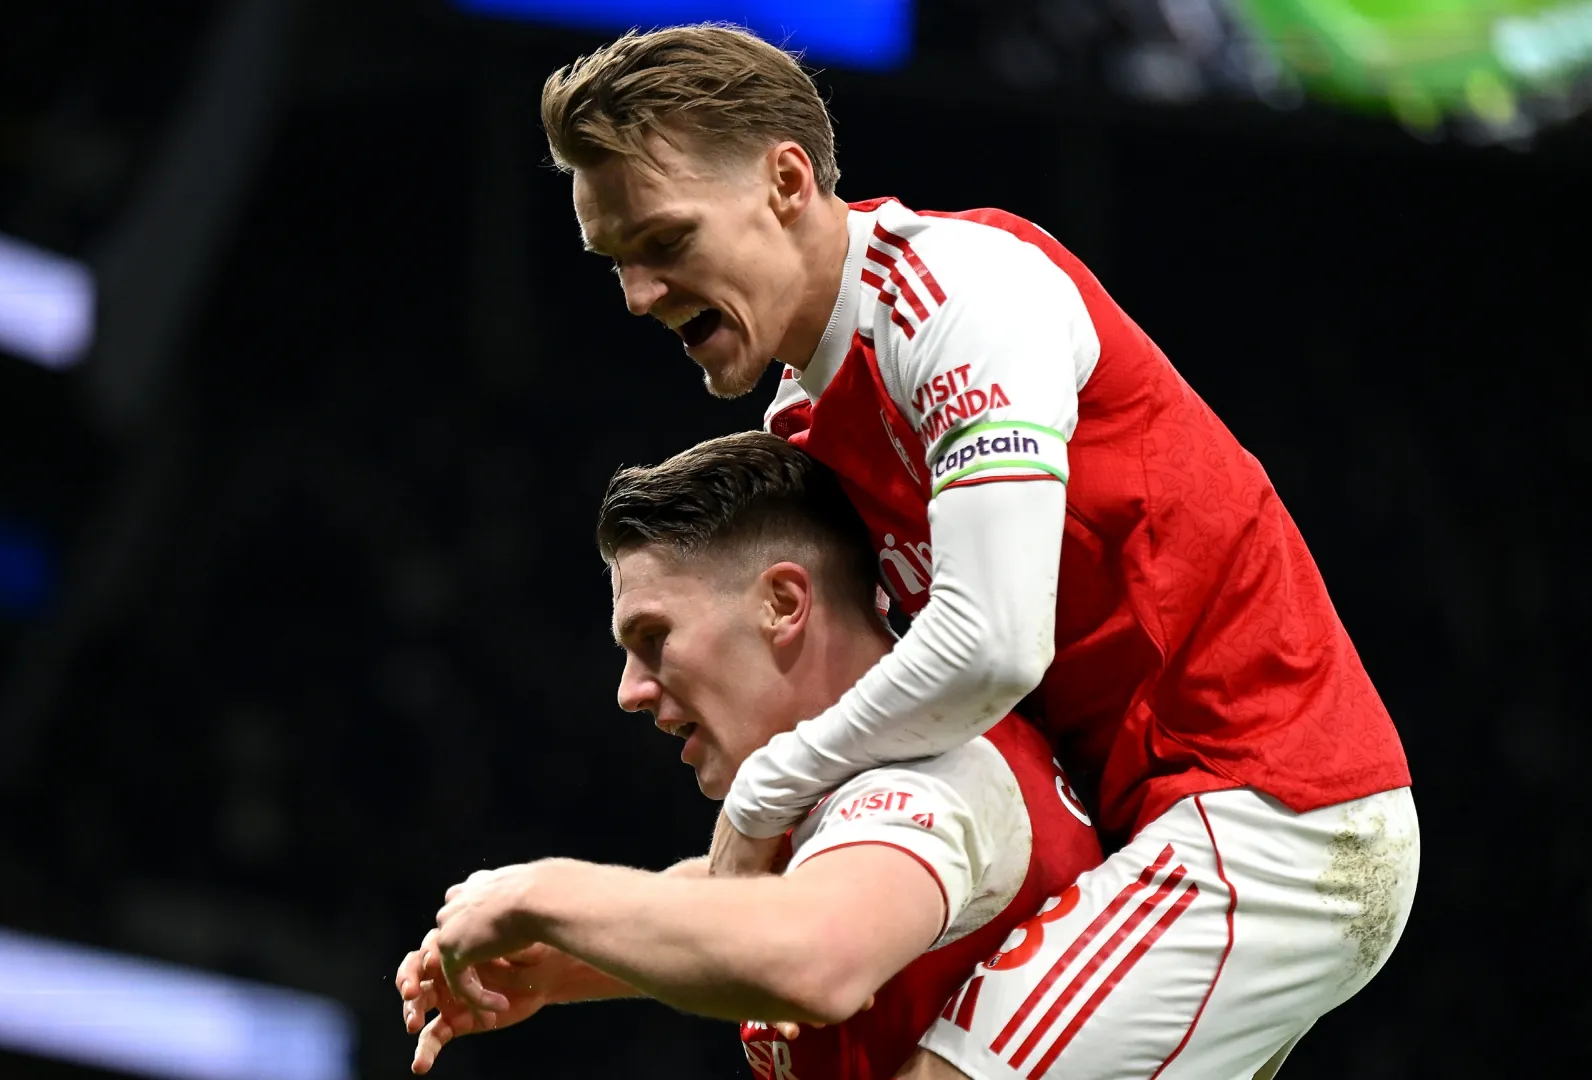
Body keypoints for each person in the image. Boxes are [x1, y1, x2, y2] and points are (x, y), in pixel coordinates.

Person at [532, 22, 1421, 1080]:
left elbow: (994, 646)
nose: (637, 293)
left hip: (1275, 818)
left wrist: (766, 786)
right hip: (1136, 830)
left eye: (666, 242)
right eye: (616, 260)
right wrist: (568, 954)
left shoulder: (961, 298)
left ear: (785, 181)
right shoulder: (804, 426)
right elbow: (836, 848)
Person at [395, 432, 1103, 1078]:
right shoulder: (851, 792)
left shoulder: (935, 776)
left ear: (784, 602)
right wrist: (562, 964)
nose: (629, 692)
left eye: (654, 637)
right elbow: (741, 889)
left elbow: (814, 957)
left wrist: (541, 893)